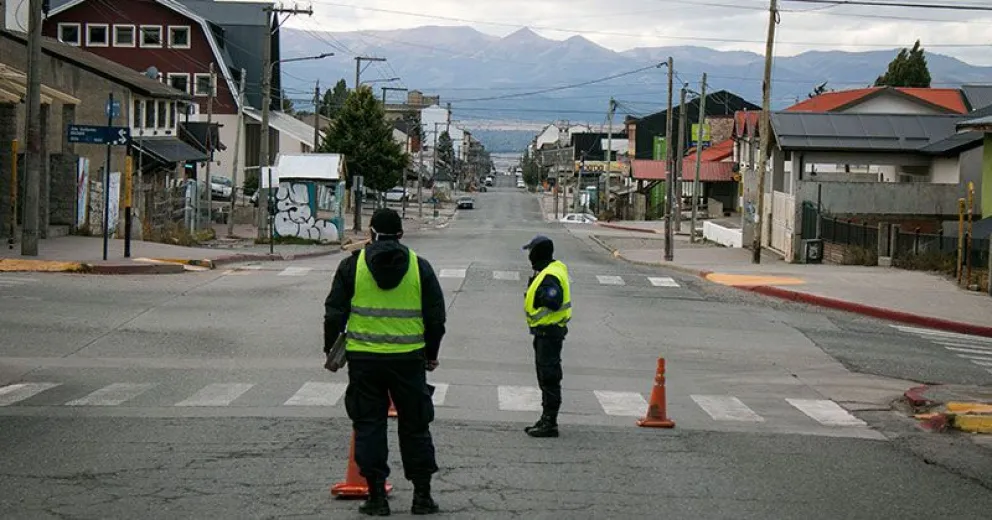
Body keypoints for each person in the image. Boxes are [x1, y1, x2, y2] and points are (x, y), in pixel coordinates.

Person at [324, 208, 447, 516]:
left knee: (369, 425)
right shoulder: (421, 268)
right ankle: (422, 497)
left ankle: (376, 497)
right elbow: (436, 318)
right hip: (409, 360)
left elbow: (334, 313)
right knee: (416, 425)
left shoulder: (353, 266)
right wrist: (431, 354)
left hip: (364, 360)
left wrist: (332, 350)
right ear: (401, 234)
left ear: (371, 233)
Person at [521, 235, 571, 438]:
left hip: (549, 332)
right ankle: (545, 418)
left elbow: (553, 299)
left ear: (537, 253)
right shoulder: (550, 270)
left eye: (531, 251)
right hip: (546, 332)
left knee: (549, 377)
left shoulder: (550, 275)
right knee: (545, 376)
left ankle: (550, 422)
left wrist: (541, 294)